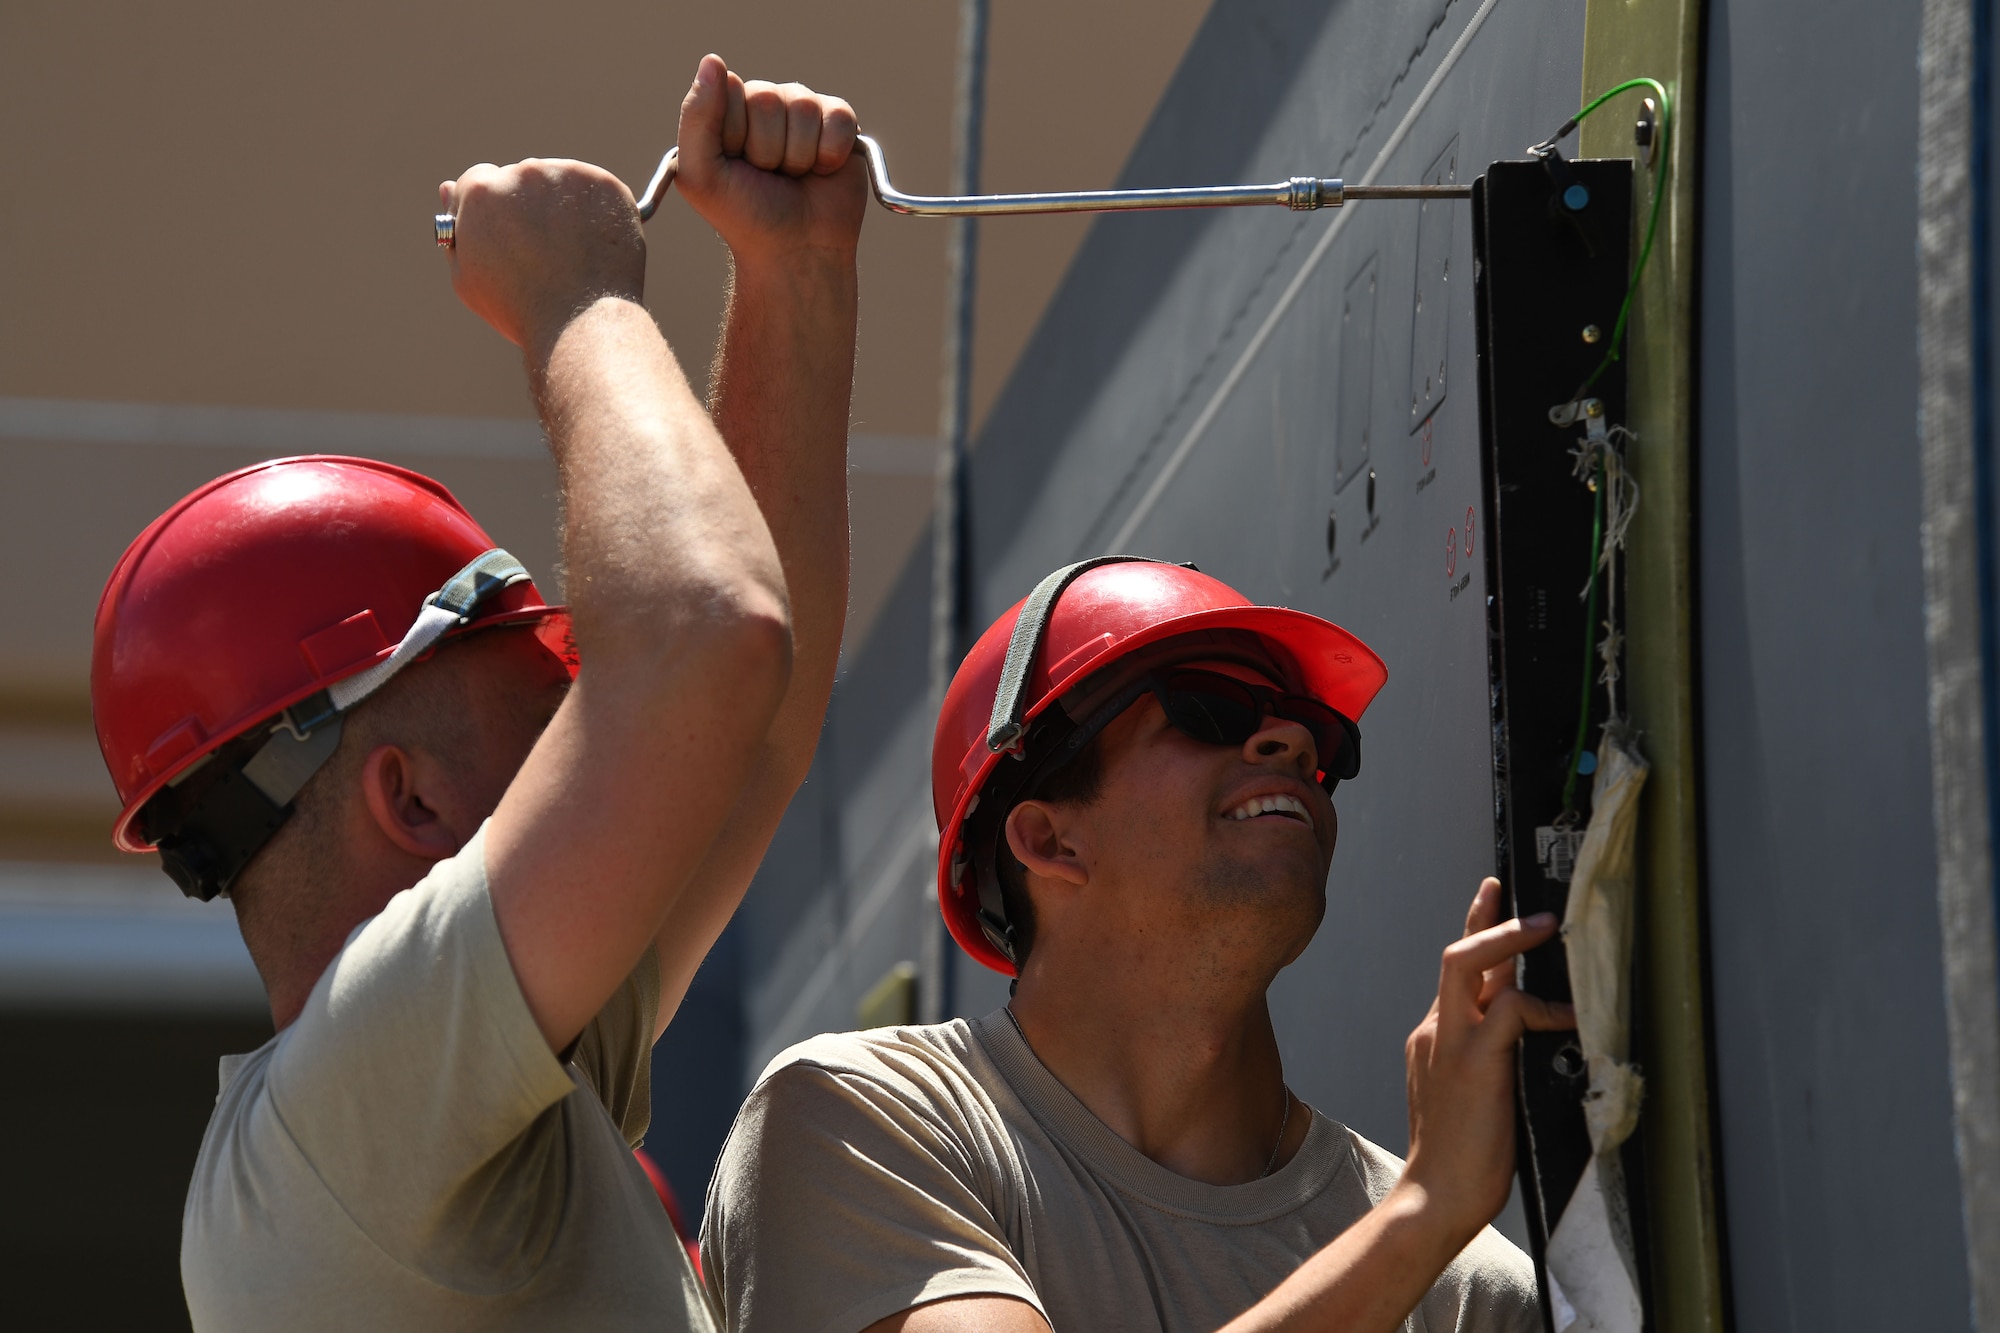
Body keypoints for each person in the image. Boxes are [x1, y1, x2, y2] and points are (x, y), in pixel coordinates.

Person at [87, 55, 864, 1331]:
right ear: (411, 796)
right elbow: (706, 644)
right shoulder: (355, 1108)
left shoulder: (446, 1084)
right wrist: (573, 299)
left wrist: (793, 273)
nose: (582, 713)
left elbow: (744, 726)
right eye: (549, 688)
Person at [702, 558, 1571, 1333]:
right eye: (1209, 707)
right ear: (1048, 840)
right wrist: (1419, 1216)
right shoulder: (861, 1122)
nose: (1295, 743)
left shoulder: (1473, 1295)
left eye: (1318, 739)